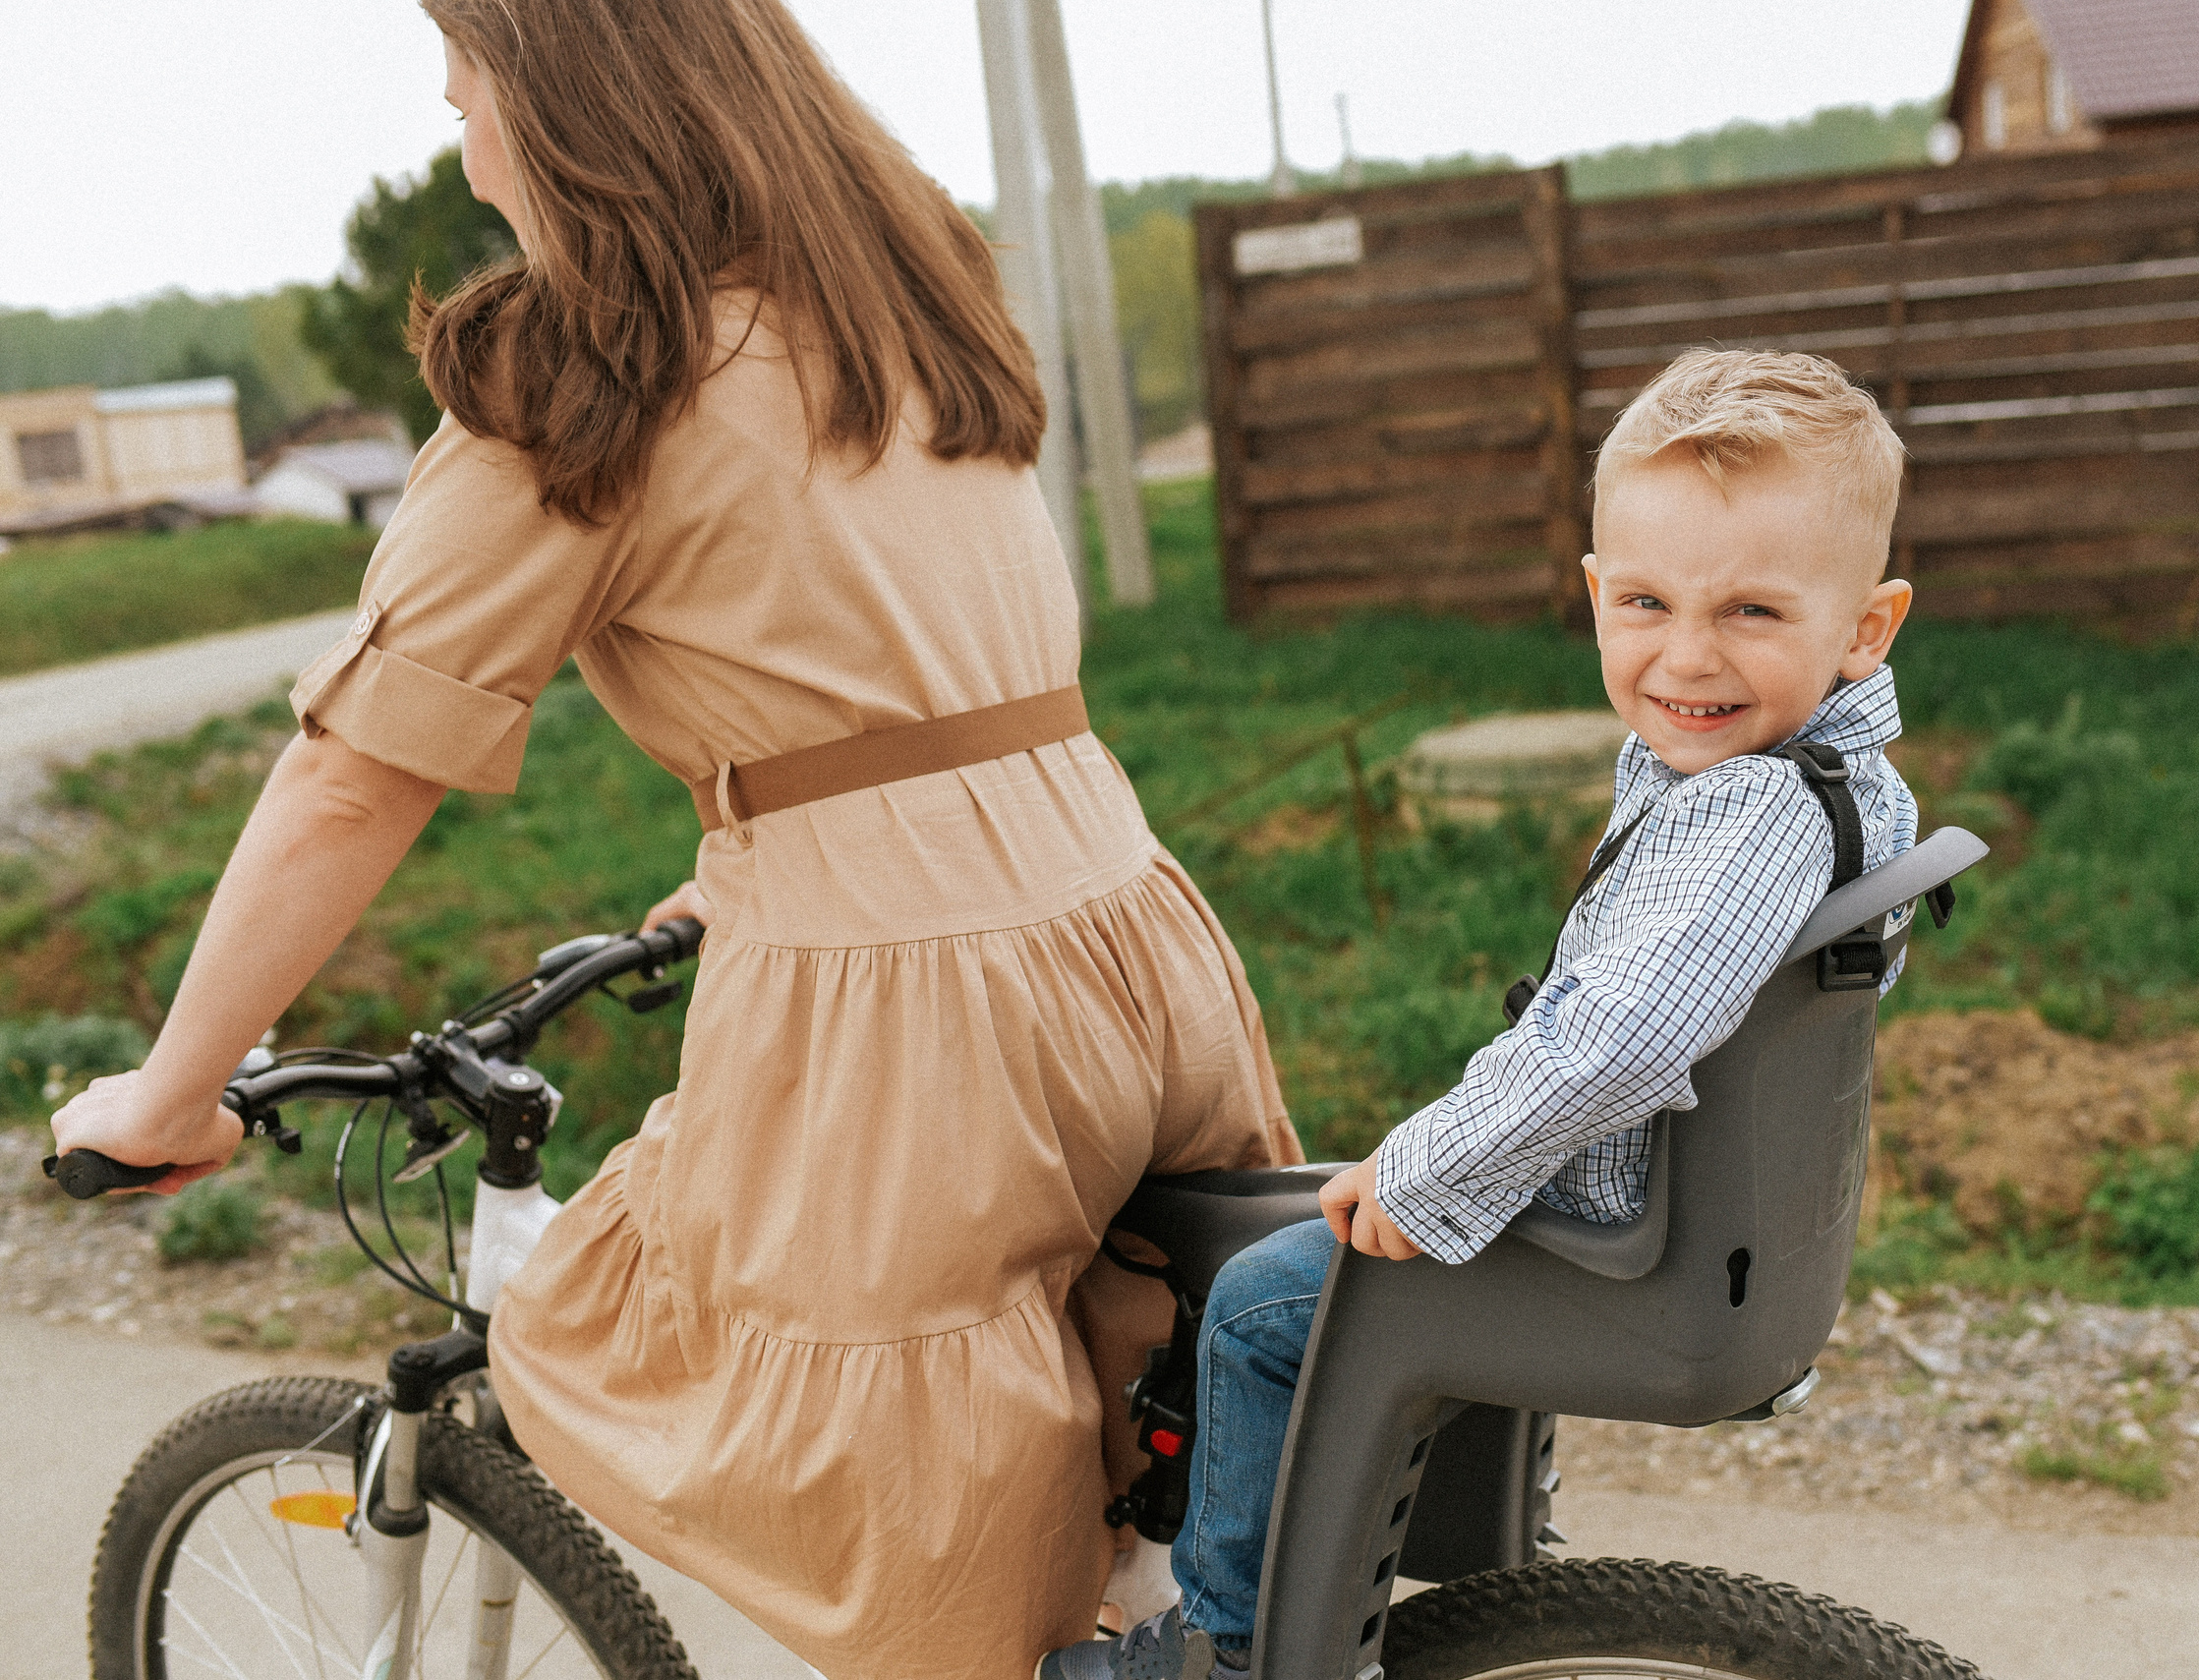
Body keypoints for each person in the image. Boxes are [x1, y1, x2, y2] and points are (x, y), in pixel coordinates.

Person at [47, 2, 1300, 1674]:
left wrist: (173, 1087)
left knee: (681, 1379)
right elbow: (882, 676)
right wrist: (751, 858)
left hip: (924, 1021)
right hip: (1128, 932)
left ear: (564, 103)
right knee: (1105, 1447)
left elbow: (353, 777)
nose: (461, 138)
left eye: (467, 86)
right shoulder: (902, 292)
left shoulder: (585, 371)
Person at [1038, 348, 1919, 1680]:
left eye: (1750, 611)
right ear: (1593, 594)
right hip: (1697, 1223)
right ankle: (1463, 1582)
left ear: (1866, 626)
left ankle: (1224, 1645)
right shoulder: (1842, 778)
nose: (1686, 654)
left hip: (1622, 1237)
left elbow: (1618, 1037)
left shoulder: (1749, 814)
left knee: (1269, 1301)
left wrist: (1435, 1161)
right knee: (1295, 1210)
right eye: (1645, 600)